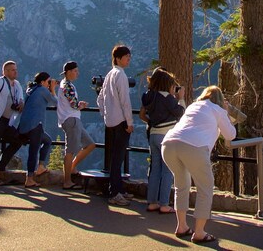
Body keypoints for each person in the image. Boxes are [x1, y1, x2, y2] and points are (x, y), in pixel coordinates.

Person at [161, 85, 237, 244]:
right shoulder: (218, 109)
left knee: (182, 184)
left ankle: (182, 226)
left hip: (168, 144)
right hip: (194, 146)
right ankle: (200, 232)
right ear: (220, 100)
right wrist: (227, 112)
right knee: (205, 187)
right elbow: (230, 134)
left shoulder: (193, 106)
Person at [140, 67, 185, 213]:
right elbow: (181, 113)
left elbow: (142, 114)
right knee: (167, 170)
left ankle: (151, 202)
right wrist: (181, 99)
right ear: (167, 84)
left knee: (155, 169)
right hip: (166, 136)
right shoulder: (167, 98)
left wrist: (151, 122)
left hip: (153, 135)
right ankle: (164, 203)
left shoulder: (148, 96)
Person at [97, 44, 134, 206]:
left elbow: (100, 99)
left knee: (115, 158)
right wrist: (129, 122)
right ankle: (115, 192)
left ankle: (118, 189)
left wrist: (106, 114)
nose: (128, 60)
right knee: (118, 158)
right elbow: (125, 101)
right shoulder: (121, 76)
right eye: (126, 57)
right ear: (118, 58)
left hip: (110, 122)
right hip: (121, 122)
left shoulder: (109, 75)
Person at [57, 61, 95, 189]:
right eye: (75, 71)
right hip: (71, 120)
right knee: (70, 151)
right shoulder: (67, 86)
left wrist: (79, 104)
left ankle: (72, 168)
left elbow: (71, 102)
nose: (77, 73)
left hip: (73, 119)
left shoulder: (66, 85)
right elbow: (73, 104)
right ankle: (67, 181)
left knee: (90, 144)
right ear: (68, 72)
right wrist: (81, 105)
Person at [17, 71, 58, 187]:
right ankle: (29, 178)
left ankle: (40, 167)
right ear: (43, 82)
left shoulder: (31, 89)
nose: (49, 84)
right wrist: (53, 89)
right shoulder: (42, 90)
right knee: (33, 151)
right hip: (35, 125)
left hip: (25, 125)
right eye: (48, 82)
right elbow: (56, 102)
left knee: (47, 141)